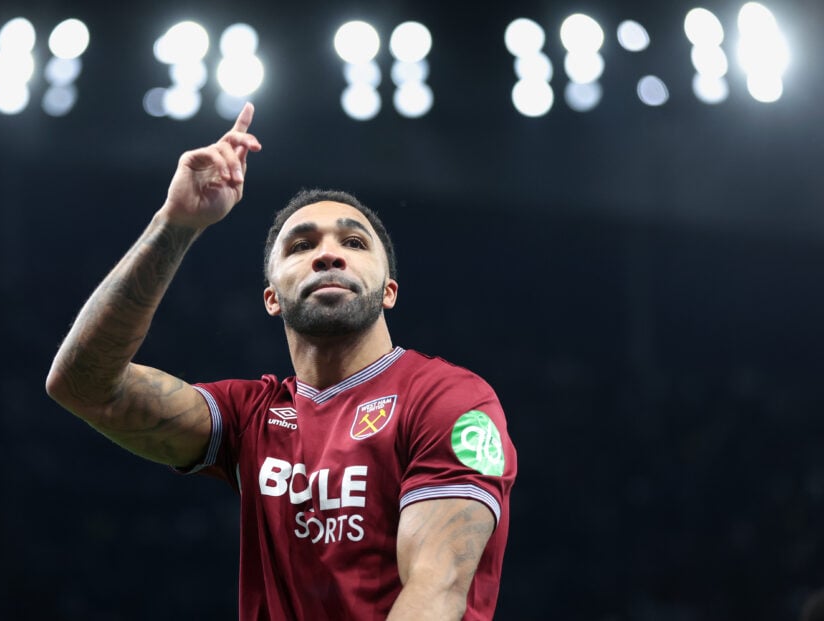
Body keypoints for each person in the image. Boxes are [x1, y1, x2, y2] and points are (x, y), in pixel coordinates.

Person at [45, 103, 517, 620]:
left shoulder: (452, 400)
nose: (328, 254)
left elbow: (437, 591)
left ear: (389, 291)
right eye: (301, 245)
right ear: (272, 298)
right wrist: (175, 224)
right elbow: (84, 386)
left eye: (354, 242)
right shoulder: (252, 417)